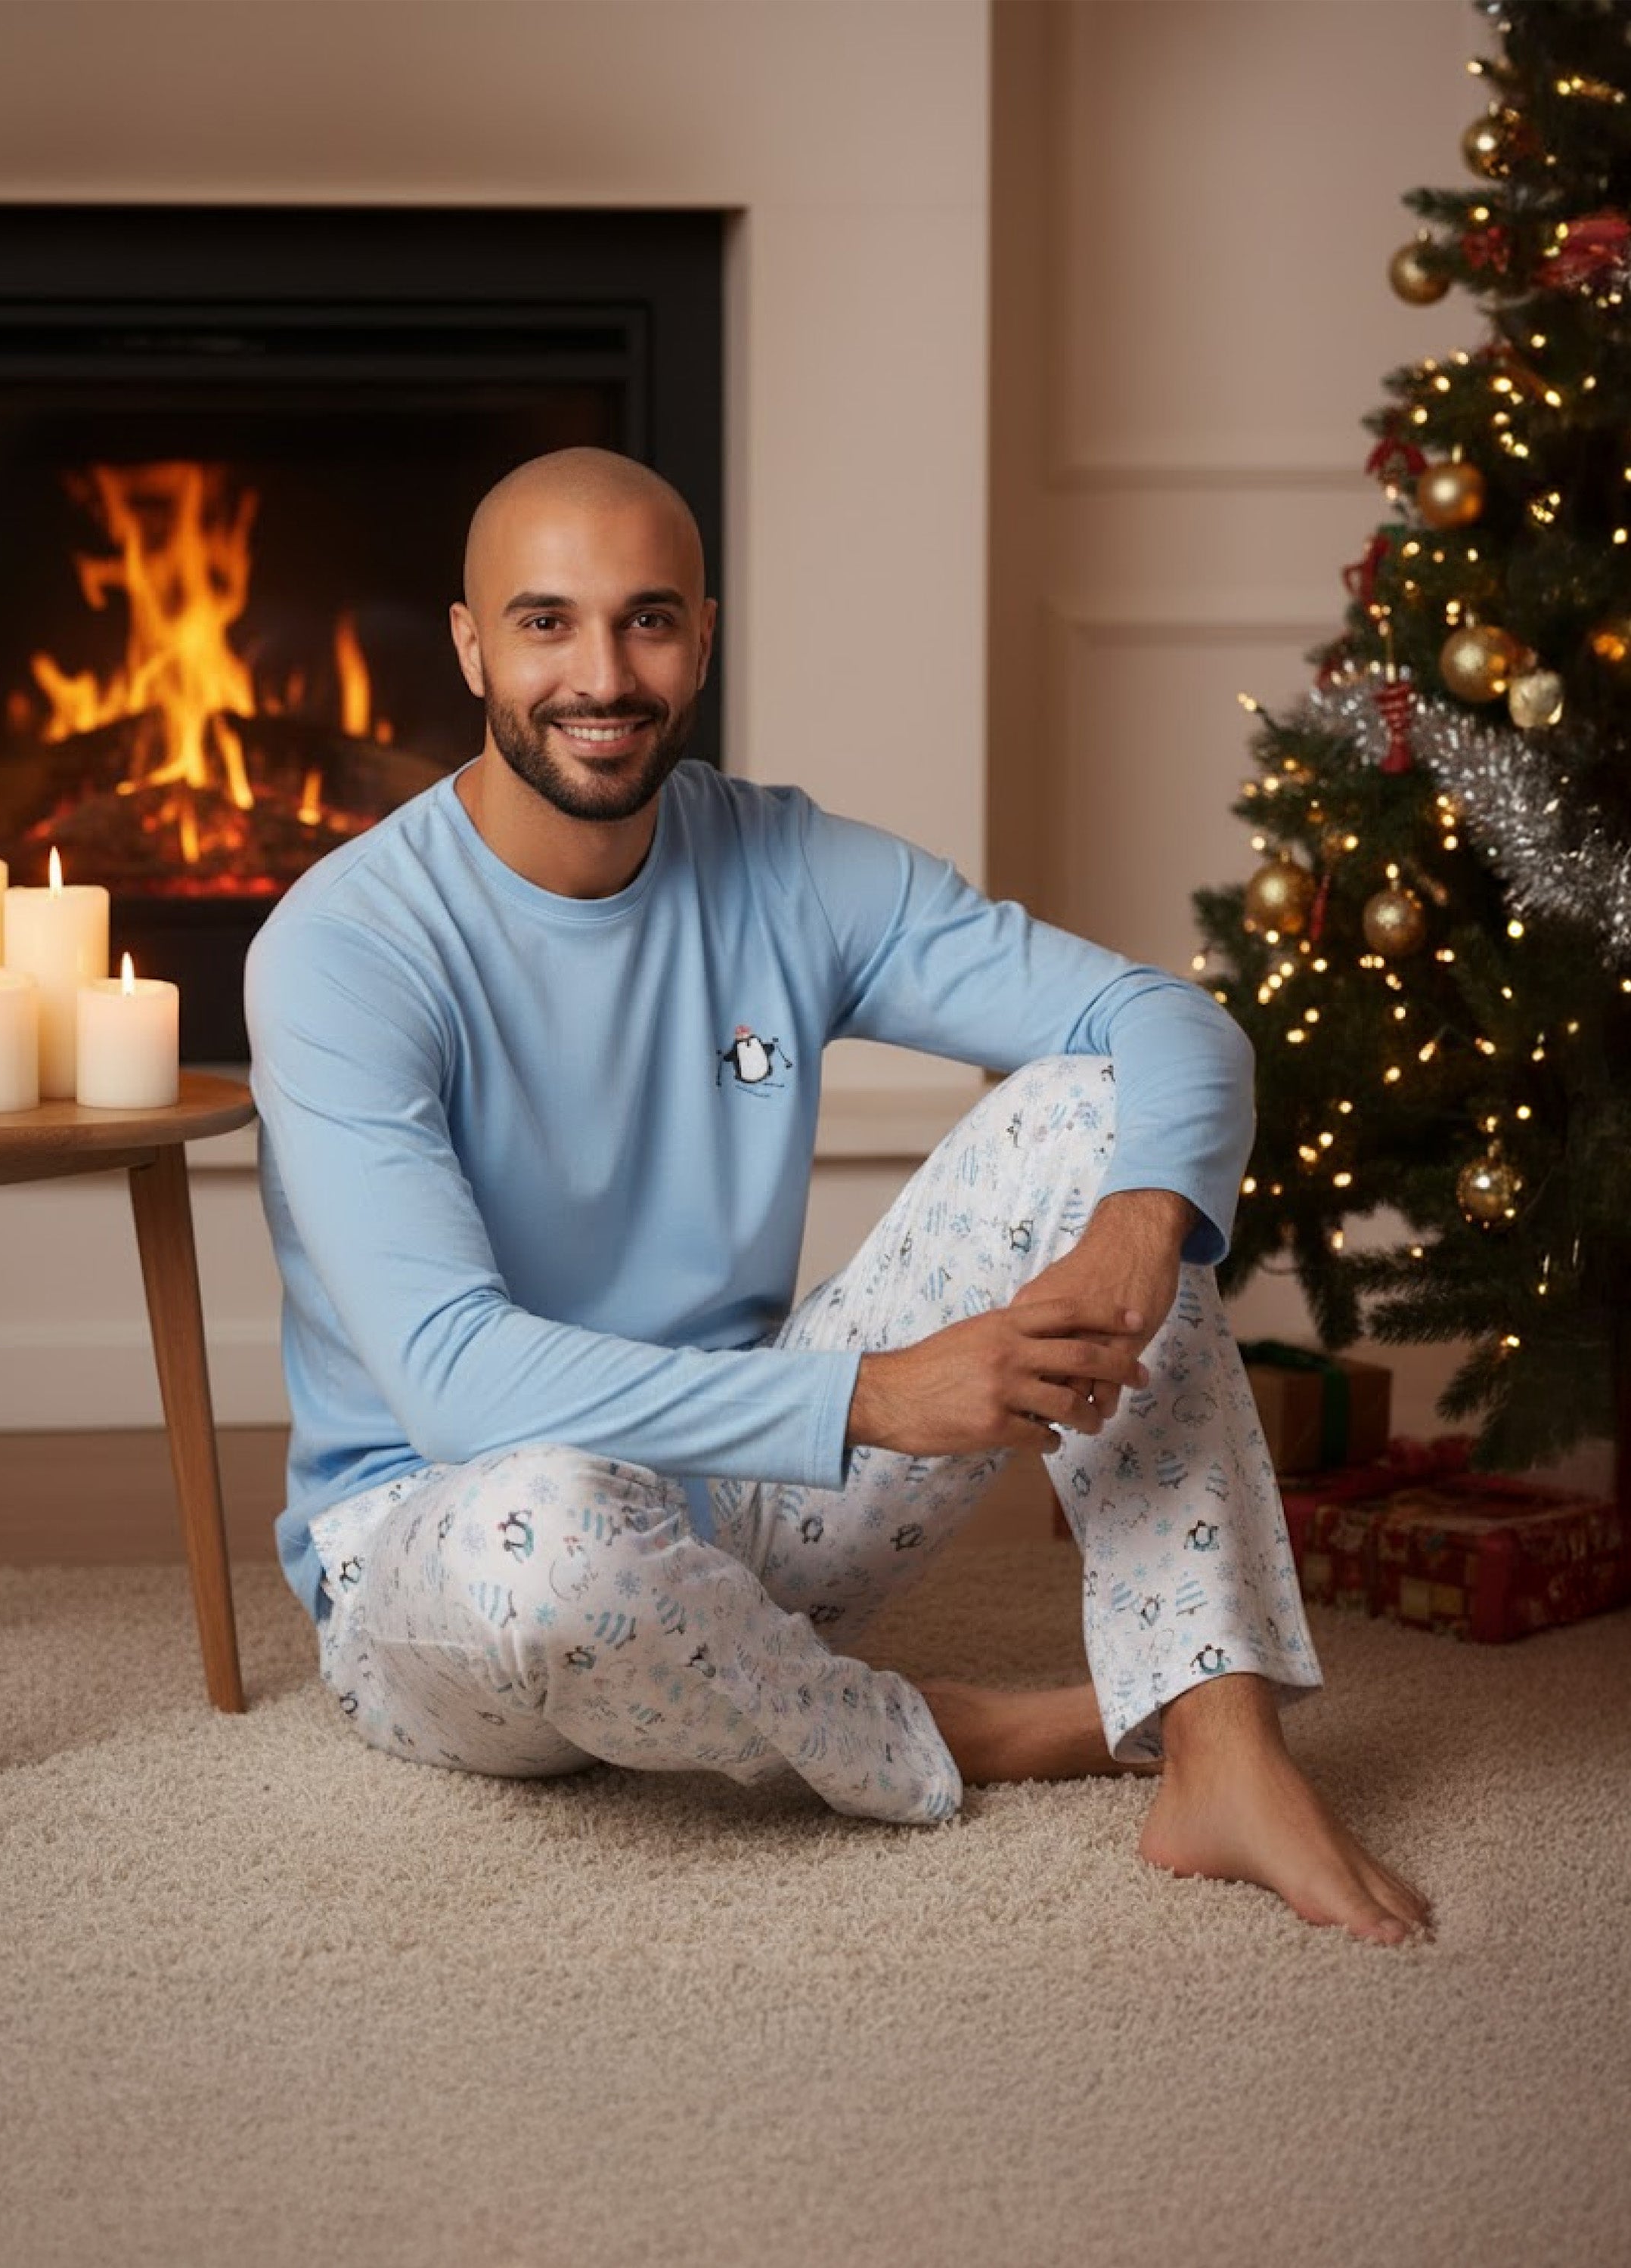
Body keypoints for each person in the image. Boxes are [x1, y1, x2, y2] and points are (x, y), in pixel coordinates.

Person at [245, 446, 1431, 1947]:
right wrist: (872, 1399)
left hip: (752, 1500)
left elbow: (1168, 1025)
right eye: (546, 623)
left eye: (649, 620)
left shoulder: (784, 862)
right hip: (458, 1559)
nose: (602, 673)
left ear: (706, 636)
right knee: (547, 1527)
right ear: (473, 644)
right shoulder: (345, 946)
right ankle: (964, 1732)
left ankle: (1218, 1735)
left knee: (1096, 1114)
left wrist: (1143, 1227)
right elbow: (458, 1383)